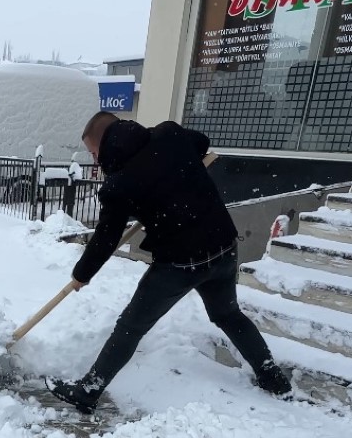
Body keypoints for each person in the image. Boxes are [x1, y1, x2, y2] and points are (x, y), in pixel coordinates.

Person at [48, 112, 292, 414]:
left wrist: (81, 274)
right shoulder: (168, 135)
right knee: (228, 314)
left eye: (93, 152)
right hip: (223, 245)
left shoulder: (119, 185)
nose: (95, 159)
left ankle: (88, 391)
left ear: (104, 143)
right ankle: (272, 376)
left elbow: (106, 239)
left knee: (131, 326)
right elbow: (201, 142)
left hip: (180, 263)